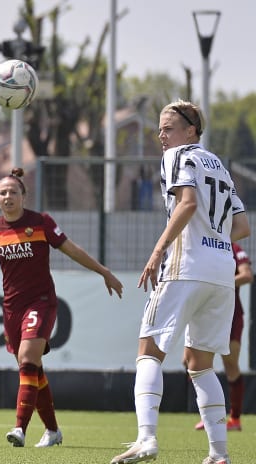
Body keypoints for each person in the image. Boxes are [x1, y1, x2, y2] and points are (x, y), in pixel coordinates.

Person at [111, 99, 250, 464]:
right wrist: (214, 237)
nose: (161, 134)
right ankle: (219, 454)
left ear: (191, 130)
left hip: (187, 265)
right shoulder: (217, 163)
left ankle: (146, 439)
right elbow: (242, 227)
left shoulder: (177, 156)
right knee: (199, 363)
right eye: (159, 128)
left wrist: (158, 250)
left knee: (149, 351)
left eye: (168, 127)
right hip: (222, 273)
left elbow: (187, 203)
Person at [0, 168, 124, 449]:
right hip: (11, 309)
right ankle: (52, 431)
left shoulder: (40, 223)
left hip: (41, 302)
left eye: (13, 192)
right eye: (2, 193)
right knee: (33, 370)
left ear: (23, 196)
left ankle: (20, 428)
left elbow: (72, 249)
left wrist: (104, 271)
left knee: (27, 360)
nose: (7, 197)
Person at [194, 242, 252, 432]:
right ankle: (209, 416)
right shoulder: (200, 243)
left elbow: (246, 275)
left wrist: (221, 282)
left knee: (230, 363)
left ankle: (235, 419)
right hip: (204, 311)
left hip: (231, 314)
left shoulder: (233, 248)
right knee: (193, 361)